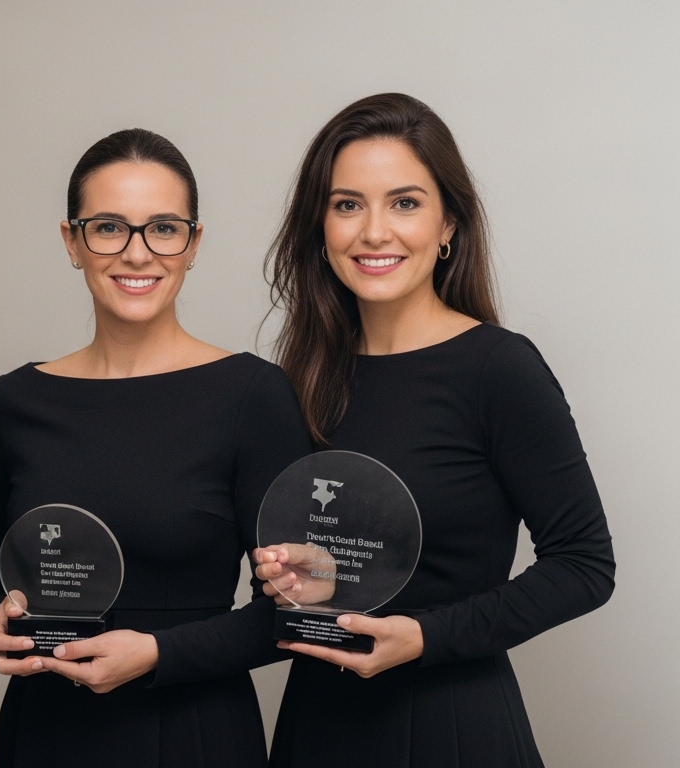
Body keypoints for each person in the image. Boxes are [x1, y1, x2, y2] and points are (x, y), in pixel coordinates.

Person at [256, 93, 615, 768]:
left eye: (405, 202)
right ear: (320, 225)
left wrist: (423, 637)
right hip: (317, 724)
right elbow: (322, 569)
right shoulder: (302, 377)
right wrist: (295, 578)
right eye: (347, 204)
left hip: (451, 723)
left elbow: (584, 565)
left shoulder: (497, 368)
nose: (374, 232)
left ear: (448, 222)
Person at [0, 128, 311, 767]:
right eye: (109, 227)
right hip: (45, 734)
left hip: (193, 734)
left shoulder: (251, 395)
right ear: (72, 242)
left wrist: (159, 653)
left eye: (163, 227)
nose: (138, 253)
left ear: (193, 244)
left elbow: (300, 605)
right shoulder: (15, 400)